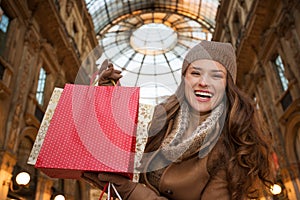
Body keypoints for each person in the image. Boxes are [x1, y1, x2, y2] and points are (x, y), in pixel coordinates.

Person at [82, 40, 275, 200]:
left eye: (216, 75)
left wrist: (132, 192)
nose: (203, 82)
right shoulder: (161, 118)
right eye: (195, 73)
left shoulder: (232, 145)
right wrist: (108, 92)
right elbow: (125, 135)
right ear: (184, 80)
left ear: (227, 85)